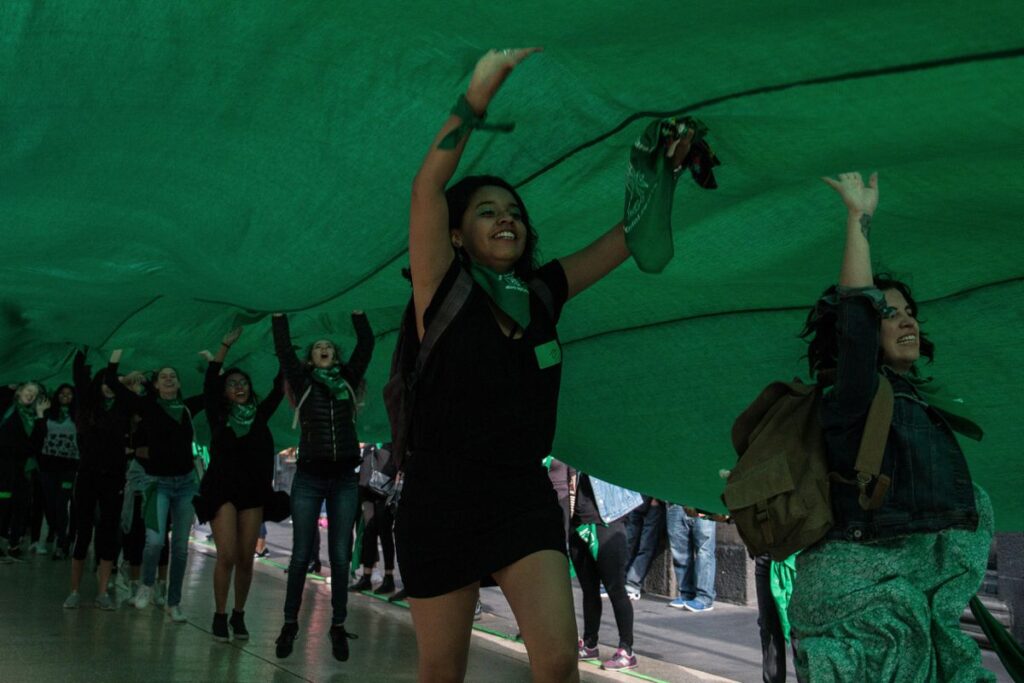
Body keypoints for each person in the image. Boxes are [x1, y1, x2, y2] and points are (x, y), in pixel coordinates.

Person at [394, 48, 696, 683]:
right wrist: (481, 90)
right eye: (487, 211)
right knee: (441, 671)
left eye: (515, 213)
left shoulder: (541, 295)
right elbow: (427, 189)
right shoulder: (441, 289)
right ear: (455, 234)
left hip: (521, 496)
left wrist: (663, 174)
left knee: (558, 663)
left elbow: (628, 236)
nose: (507, 219)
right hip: (440, 497)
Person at [788, 172, 993, 681]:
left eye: (909, 313)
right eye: (889, 313)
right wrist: (858, 220)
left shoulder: (909, 401)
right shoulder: (857, 393)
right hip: (863, 598)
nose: (906, 321)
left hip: (888, 592)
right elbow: (856, 321)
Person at [272, 310, 374, 662]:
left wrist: (359, 316)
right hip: (310, 478)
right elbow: (284, 351)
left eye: (329, 345)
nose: (325, 348)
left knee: (341, 556)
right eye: (319, 347)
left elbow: (367, 345)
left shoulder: (347, 379)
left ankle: (338, 625)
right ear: (311, 357)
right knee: (301, 555)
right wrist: (279, 317)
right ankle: (289, 624)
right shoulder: (303, 383)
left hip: (345, 477)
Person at [194, 327, 285, 642]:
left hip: (253, 491)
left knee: (246, 558)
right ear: (224, 392)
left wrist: (284, 347)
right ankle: (220, 615)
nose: (239, 387)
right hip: (222, 491)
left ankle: (238, 614)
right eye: (232, 384)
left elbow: (279, 386)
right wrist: (223, 346)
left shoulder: (260, 416)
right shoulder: (218, 416)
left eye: (243, 382)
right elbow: (210, 382)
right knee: (227, 555)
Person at [105, 350, 205, 623]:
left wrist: (217, 358)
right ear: (157, 385)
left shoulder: (186, 408)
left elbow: (213, 391)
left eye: (173, 376)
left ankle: (174, 602)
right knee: (155, 541)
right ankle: (147, 585)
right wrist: (114, 361)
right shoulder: (148, 406)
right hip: (157, 484)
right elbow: (114, 386)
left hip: (185, 484)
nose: (169, 379)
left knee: (181, 548)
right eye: (164, 377)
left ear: (179, 384)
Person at [62, 349, 133, 610]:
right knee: (82, 532)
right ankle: (74, 589)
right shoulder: (88, 407)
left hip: (113, 478)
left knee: (108, 534)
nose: (108, 388)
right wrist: (82, 353)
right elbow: (80, 379)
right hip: (88, 476)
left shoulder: (124, 407)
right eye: (104, 383)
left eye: (112, 383)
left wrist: (128, 382)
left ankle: (103, 592)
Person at [569, 473, 643, 671]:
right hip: (579, 525)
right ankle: (590, 644)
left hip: (607, 524)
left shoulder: (605, 450)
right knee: (589, 590)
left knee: (615, 589)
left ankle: (627, 650)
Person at [0, 382, 47, 560]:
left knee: (22, 505)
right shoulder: (7, 408)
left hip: (24, 468)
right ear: (19, 391)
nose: (31, 395)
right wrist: (11, 384)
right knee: (2, 505)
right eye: (28, 390)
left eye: (34, 394)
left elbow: (39, 441)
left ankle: (14, 545)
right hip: (4, 466)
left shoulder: (33, 416)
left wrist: (41, 414)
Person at [38, 382, 79, 558]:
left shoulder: (79, 415)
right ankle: (54, 529)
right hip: (47, 464)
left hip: (69, 466)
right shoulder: (48, 413)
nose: (66, 396)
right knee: (50, 503)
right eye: (62, 393)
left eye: (70, 394)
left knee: (62, 503)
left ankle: (62, 543)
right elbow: (39, 434)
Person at [350, 443, 397, 595]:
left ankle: (389, 577)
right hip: (366, 484)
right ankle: (366, 576)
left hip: (385, 485)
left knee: (385, 532)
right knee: (369, 533)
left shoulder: (388, 438)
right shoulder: (368, 437)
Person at [665, 505, 716, 612]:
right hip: (675, 502)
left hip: (702, 503)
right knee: (679, 550)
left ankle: (704, 598)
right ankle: (686, 593)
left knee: (704, 551)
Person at [623, 496, 665, 601]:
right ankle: (624, 581)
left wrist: (656, 498)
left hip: (649, 501)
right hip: (637, 500)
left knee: (645, 545)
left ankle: (632, 584)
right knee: (630, 542)